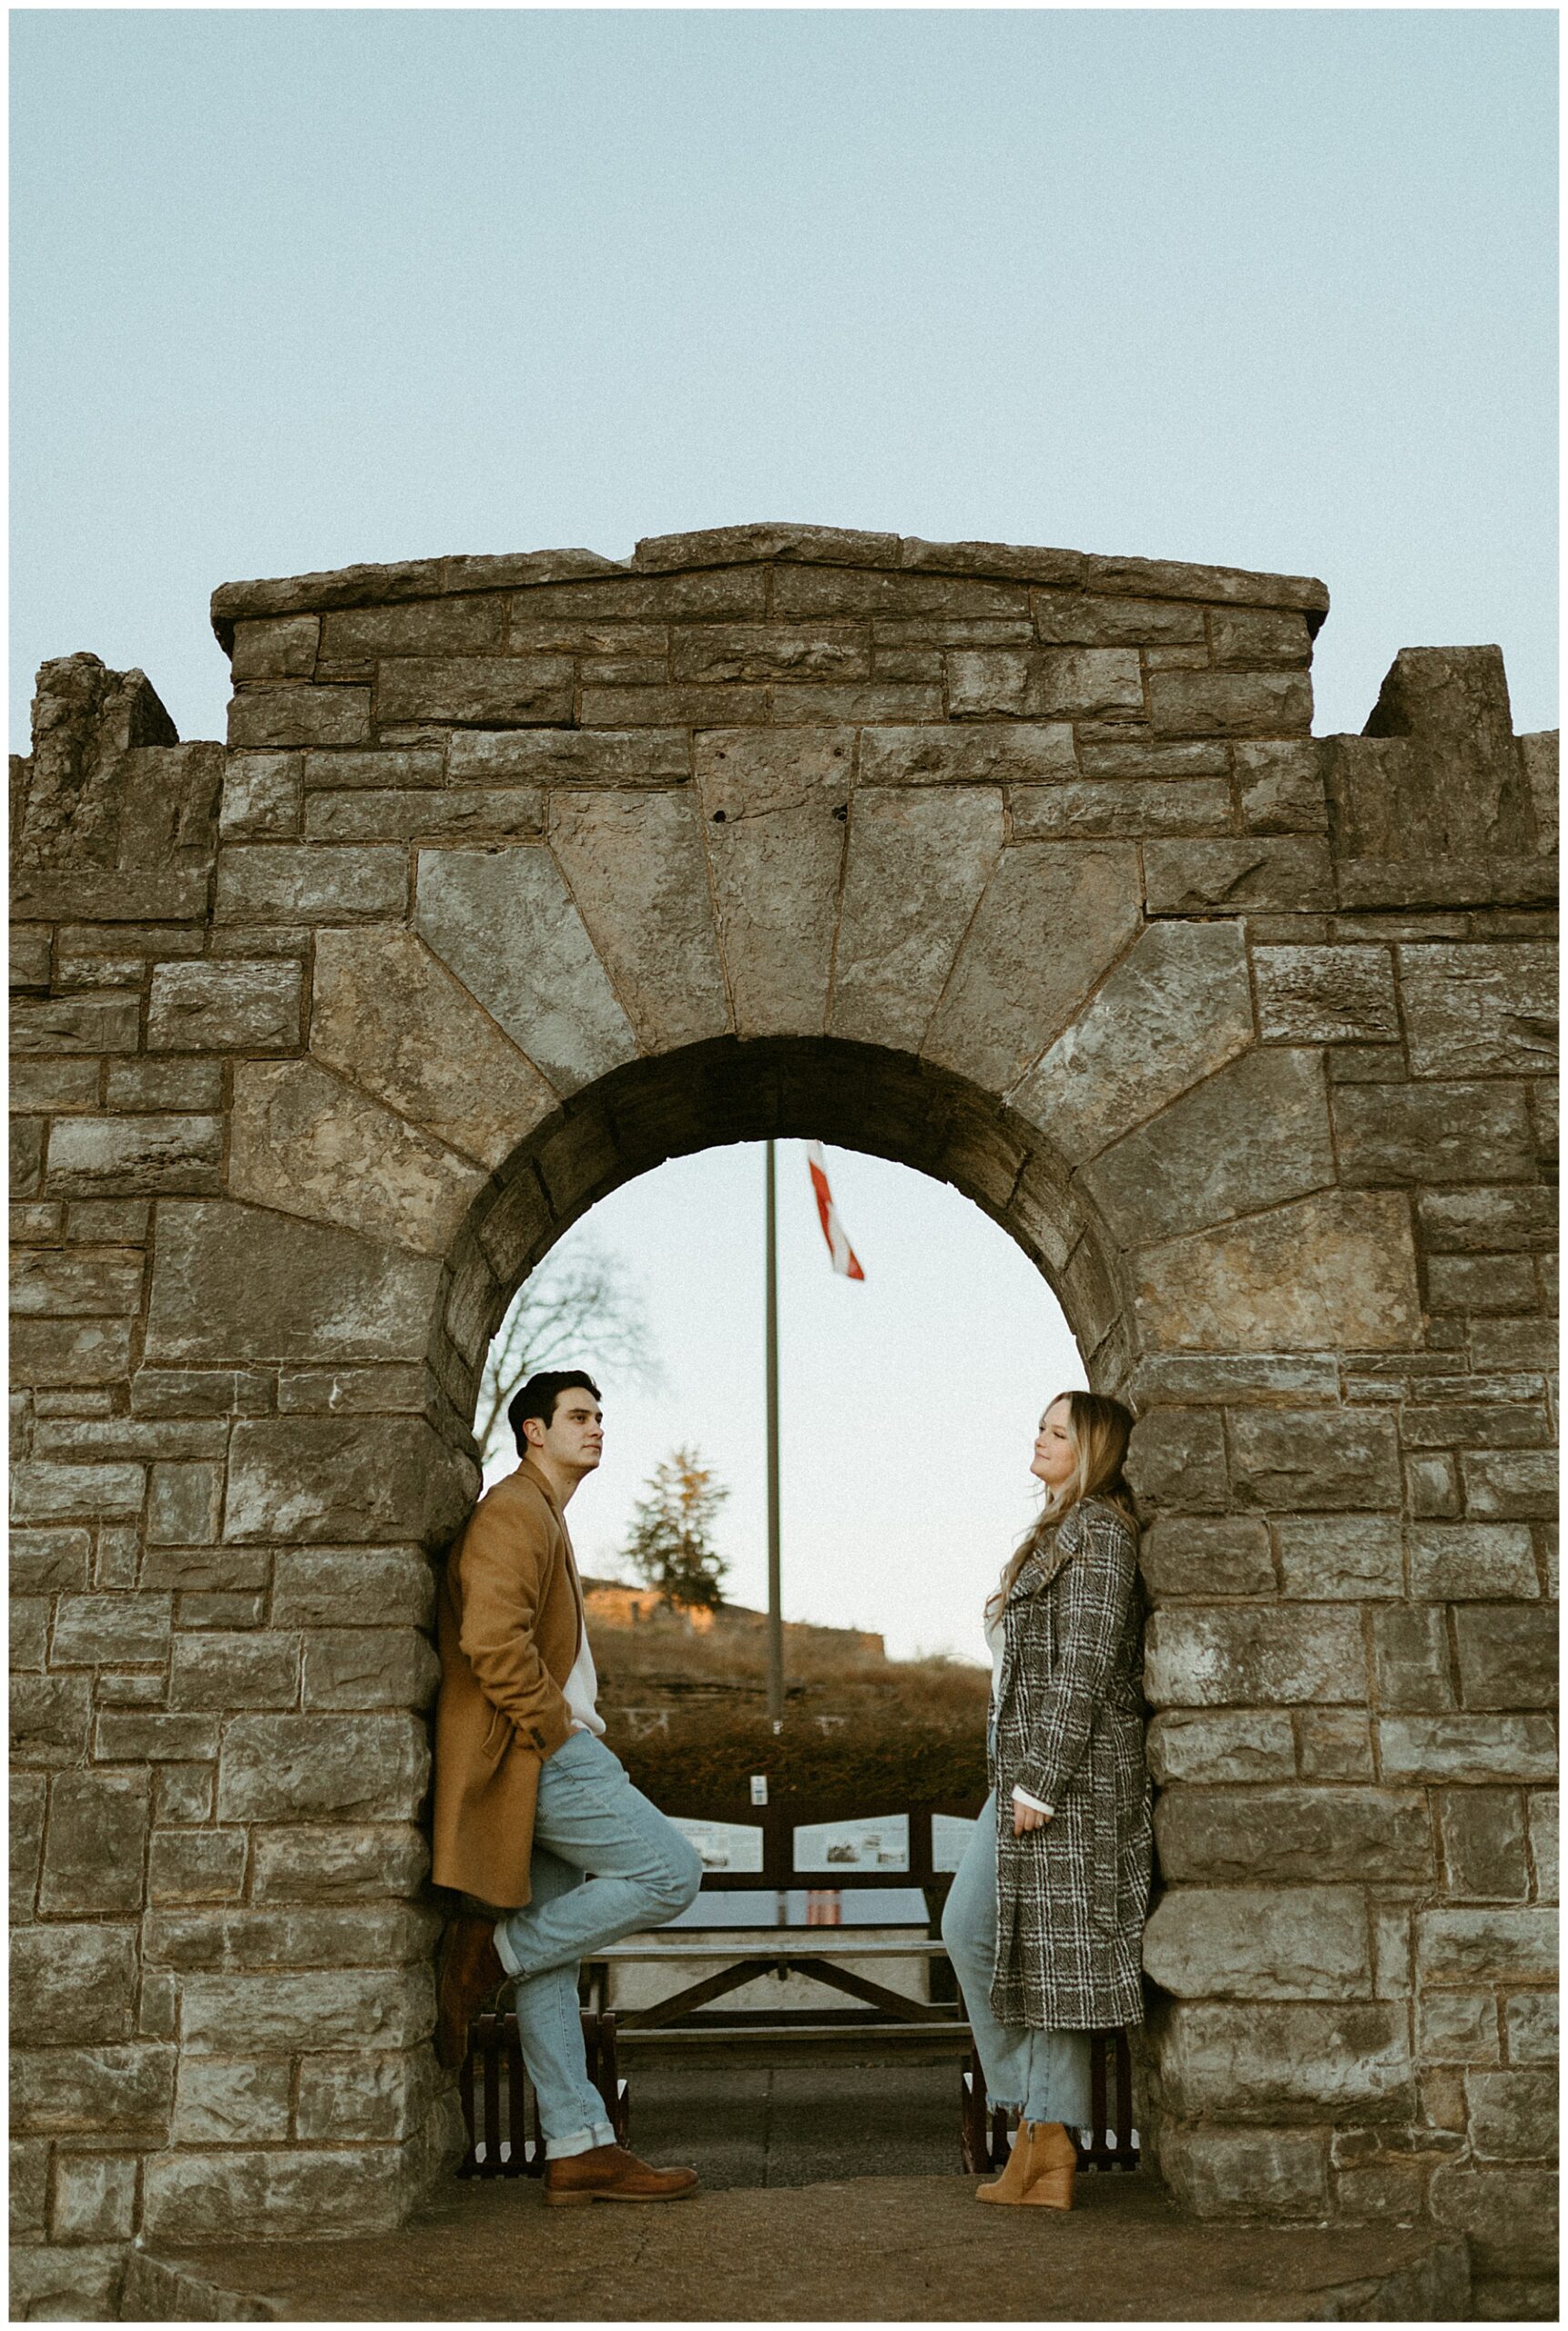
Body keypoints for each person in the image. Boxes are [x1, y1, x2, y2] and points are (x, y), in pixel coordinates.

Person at [432, 1369, 705, 2205]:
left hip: (534, 1756)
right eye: (578, 1417)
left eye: (599, 1417)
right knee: (672, 1872)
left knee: (556, 1960)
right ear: (532, 1432)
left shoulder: (542, 1514)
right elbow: (490, 1637)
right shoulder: (515, 1511)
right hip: (537, 1752)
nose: (596, 1429)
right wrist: (556, 1732)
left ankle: (578, 2144)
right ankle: (486, 1956)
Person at [941, 1388, 1151, 2210]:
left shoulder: (1099, 1533)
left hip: (1069, 1782)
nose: (1039, 1437)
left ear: (1092, 1449)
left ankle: (1048, 2140)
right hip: (1025, 1774)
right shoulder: (1056, 1534)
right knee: (993, 1936)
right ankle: (1040, 2131)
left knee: (1042, 1951)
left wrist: (1043, 1779)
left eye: (1057, 1431)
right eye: (1040, 1425)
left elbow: (1088, 1663)